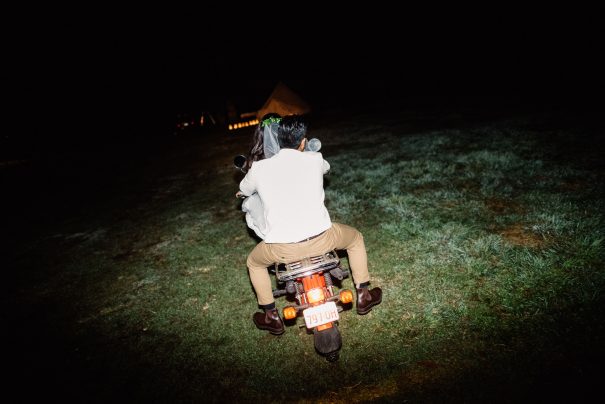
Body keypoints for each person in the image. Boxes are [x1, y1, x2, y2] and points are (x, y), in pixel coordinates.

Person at [236, 114, 382, 335]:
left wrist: (241, 193)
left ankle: (271, 315)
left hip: (282, 248)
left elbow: (243, 190)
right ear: (303, 141)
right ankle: (363, 294)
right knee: (355, 239)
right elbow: (326, 168)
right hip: (323, 239)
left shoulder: (259, 168)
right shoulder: (314, 159)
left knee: (254, 263)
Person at [239, 113, 282, 240]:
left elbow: (245, 189)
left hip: (276, 218)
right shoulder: (296, 154)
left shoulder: (257, 166)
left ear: (260, 135)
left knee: (250, 202)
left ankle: (269, 236)